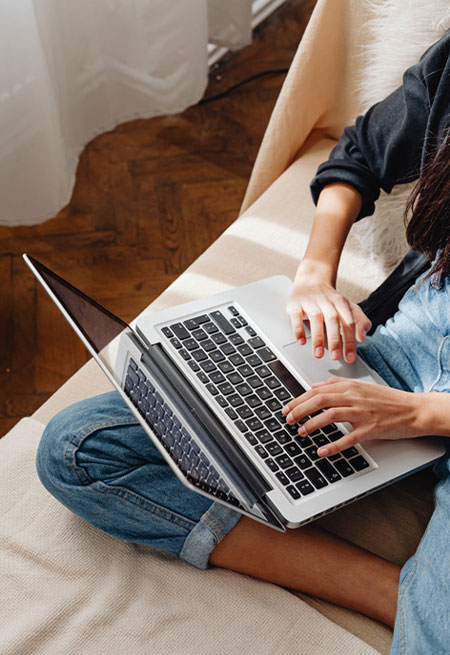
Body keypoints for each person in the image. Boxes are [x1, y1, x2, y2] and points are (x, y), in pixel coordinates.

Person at [36, 31, 450, 655]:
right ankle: (393, 594)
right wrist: (314, 275)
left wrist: (419, 414)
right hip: (390, 356)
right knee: (77, 451)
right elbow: (360, 153)